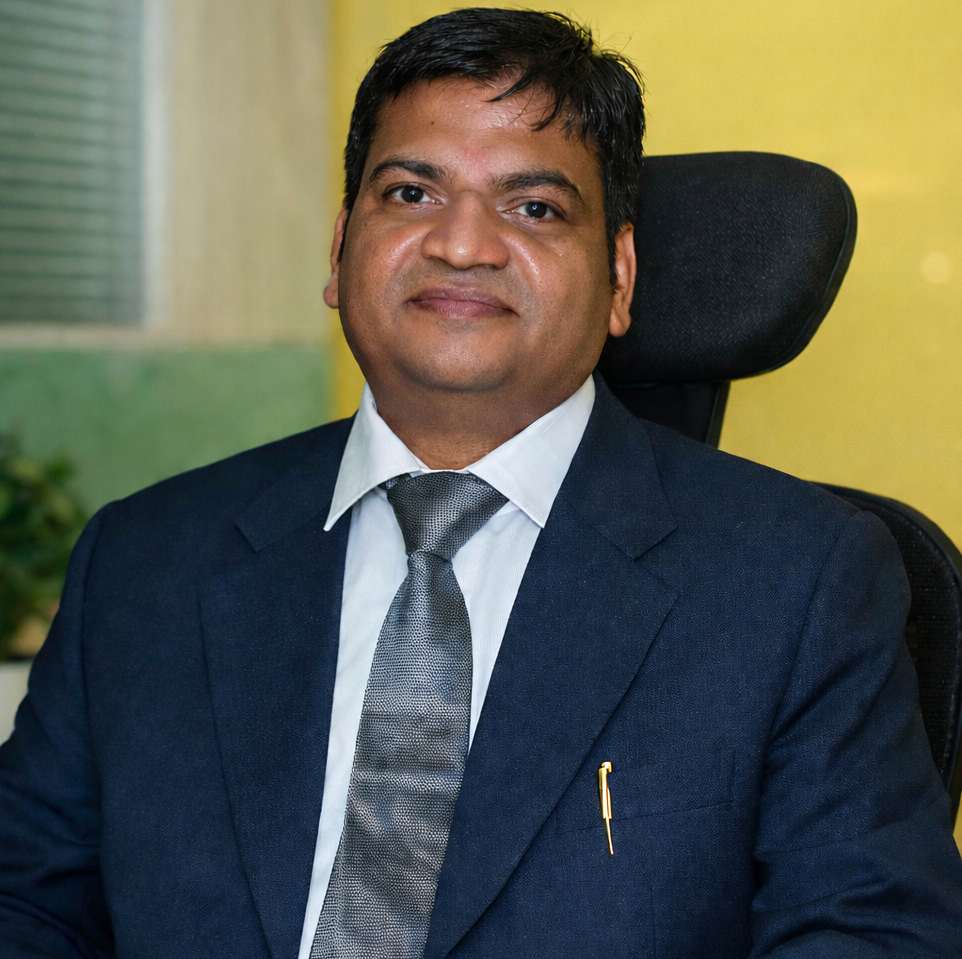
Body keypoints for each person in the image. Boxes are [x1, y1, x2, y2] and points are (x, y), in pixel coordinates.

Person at [2, 8, 962, 958]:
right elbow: (26, 905)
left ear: (620, 277)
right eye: (411, 192)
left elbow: (872, 932)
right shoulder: (143, 559)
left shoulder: (799, 580)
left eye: (534, 207)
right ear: (339, 250)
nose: (462, 244)